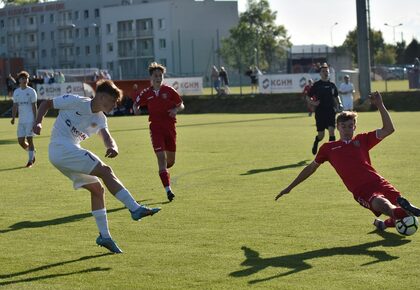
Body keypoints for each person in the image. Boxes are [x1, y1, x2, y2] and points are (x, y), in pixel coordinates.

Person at [33, 79, 161, 254]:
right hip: (60, 147)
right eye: (113, 101)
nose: (114, 105)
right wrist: (38, 122)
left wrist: (112, 146)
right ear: (101, 97)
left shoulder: (100, 118)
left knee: (97, 189)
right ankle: (135, 208)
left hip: (66, 153)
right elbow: (46, 104)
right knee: (105, 170)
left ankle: (105, 236)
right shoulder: (75, 101)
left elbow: (106, 136)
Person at [275, 91, 420, 232]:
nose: (347, 130)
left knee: (405, 211)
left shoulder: (362, 140)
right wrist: (290, 187)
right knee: (387, 207)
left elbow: (389, 129)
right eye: (343, 126)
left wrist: (380, 105)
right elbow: (311, 168)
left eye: (350, 126)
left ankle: (385, 223)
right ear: (337, 127)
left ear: (355, 127)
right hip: (361, 190)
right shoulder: (328, 148)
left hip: (378, 181)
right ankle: (398, 212)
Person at [133, 62, 185, 202]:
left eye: (160, 75)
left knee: (170, 161)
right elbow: (136, 103)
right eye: (155, 75)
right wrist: (136, 109)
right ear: (151, 77)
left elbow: (181, 104)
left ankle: (164, 172)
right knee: (161, 158)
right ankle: (168, 190)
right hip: (155, 129)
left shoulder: (169, 91)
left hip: (170, 128)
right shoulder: (146, 93)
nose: (158, 78)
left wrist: (175, 110)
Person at [309, 63, 343, 155]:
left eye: (327, 71)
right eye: (323, 71)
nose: (325, 73)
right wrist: (313, 102)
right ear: (320, 73)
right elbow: (308, 97)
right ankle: (316, 142)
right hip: (320, 112)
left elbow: (336, 96)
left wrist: (339, 103)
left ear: (329, 73)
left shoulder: (332, 85)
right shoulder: (316, 85)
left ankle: (332, 152)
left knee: (332, 131)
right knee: (321, 135)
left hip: (331, 111)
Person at [10, 71, 38, 167]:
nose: (24, 80)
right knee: (21, 141)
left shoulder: (31, 91)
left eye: (26, 78)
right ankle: (32, 152)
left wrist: (36, 119)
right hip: (21, 120)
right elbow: (15, 106)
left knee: (30, 140)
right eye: (22, 78)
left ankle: (30, 161)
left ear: (28, 80)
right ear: (19, 80)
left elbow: (34, 106)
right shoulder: (16, 92)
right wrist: (13, 118)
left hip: (30, 119)